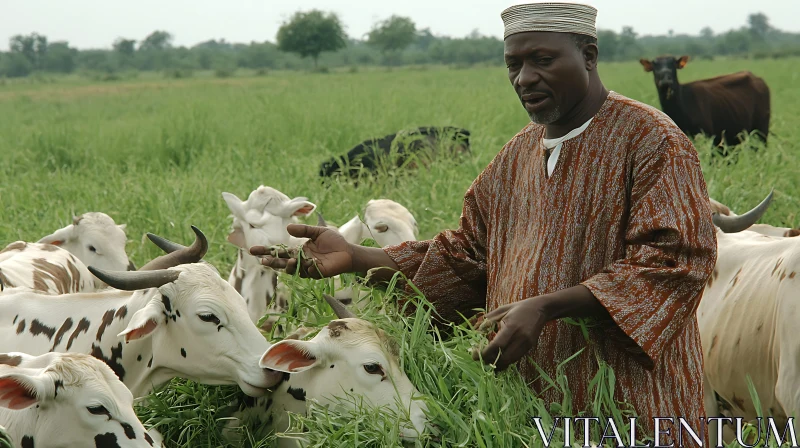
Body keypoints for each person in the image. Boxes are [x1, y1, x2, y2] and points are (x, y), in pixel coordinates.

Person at [252, 2, 717, 445]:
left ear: (589, 55)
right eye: (513, 63)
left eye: (542, 59)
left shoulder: (652, 141)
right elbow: (464, 259)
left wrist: (546, 307)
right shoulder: (517, 155)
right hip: (524, 408)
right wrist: (355, 257)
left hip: (632, 406)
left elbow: (674, 262)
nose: (524, 77)